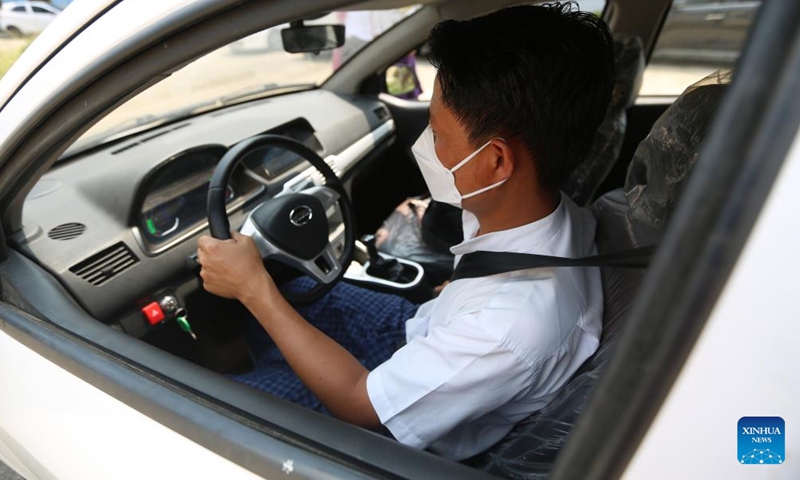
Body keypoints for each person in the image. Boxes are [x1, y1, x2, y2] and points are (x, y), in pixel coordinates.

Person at [196, 2, 614, 461]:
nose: (425, 145)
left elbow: (360, 404)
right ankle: (243, 355)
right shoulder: (541, 213)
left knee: (207, 402)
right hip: (418, 331)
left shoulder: (509, 326)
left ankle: (231, 374)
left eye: (436, 132)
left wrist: (253, 286)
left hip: (381, 416)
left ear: (496, 161)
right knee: (294, 289)